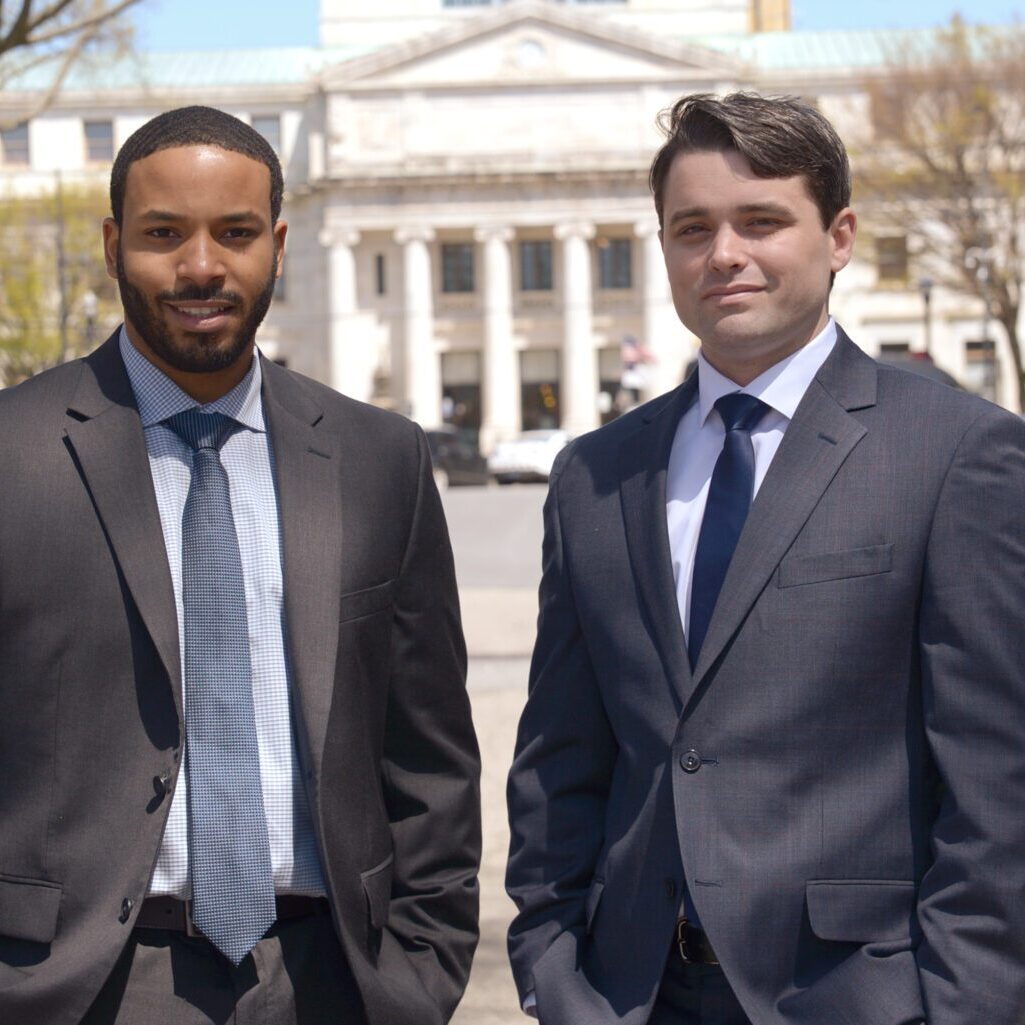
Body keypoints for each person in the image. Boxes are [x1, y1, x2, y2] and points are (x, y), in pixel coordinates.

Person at [505, 92, 1025, 1025]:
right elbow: (560, 759)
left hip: (860, 996)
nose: (724, 254)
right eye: (691, 228)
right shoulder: (595, 474)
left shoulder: (956, 453)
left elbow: (996, 783)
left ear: (838, 237)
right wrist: (550, 965)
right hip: (630, 995)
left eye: (761, 221)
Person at [0, 105, 481, 1025]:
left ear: (279, 243)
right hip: (76, 989)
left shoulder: (380, 457)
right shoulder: (13, 453)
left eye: (235, 232)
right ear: (112, 246)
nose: (201, 267)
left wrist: (417, 975)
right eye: (163, 234)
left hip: (331, 977)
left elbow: (430, 759)